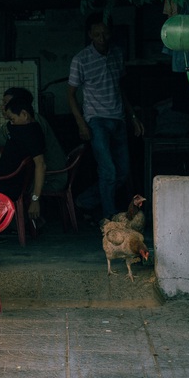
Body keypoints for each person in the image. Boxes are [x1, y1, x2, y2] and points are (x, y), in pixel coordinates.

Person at [67, 12, 145, 222]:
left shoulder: (117, 54)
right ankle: (109, 216)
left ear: (110, 32)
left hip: (118, 118)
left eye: (104, 33)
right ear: (90, 34)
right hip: (96, 120)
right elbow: (71, 94)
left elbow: (120, 88)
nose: (101, 38)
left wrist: (133, 116)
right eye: (97, 34)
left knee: (122, 171)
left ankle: (84, 201)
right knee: (108, 170)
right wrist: (81, 123)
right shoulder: (80, 59)